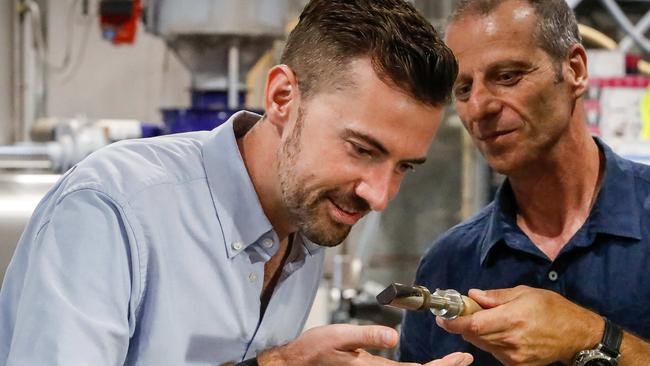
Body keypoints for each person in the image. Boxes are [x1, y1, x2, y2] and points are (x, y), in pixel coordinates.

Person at [0, 1, 475, 365]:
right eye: (361, 149)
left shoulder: (307, 223)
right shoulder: (111, 209)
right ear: (283, 97)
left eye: (403, 167)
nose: (379, 194)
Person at [399, 0, 650, 365]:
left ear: (575, 69)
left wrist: (589, 334)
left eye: (507, 76)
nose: (480, 106)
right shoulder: (447, 265)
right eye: (464, 89)